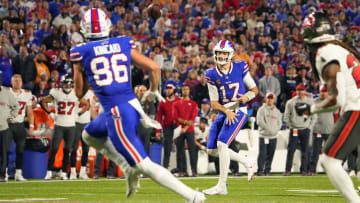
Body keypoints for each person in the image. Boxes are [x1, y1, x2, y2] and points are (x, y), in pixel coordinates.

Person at [71, 8, 205, 202]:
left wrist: (79, 68)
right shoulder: (122, 42)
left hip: (117, 113)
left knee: (144, 165)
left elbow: (78, 92)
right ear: (107, 25)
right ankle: (127, 167)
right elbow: (154, 67)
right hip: (131, 107)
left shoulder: (81, 51)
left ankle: (192, 196)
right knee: (89, 134)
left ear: (84, 29)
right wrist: (153, 90)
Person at [296, 11, 360, 202]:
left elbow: (336, 99)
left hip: (356, 106)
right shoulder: (341, 49)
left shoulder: (326, 52)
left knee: (329, 160)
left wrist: (311, 109)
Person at [203, 39, 258, 195]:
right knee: (212, 150)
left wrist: (246, 97)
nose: (220, 56)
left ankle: (222, 186)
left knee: (222, 145)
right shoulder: (211, 73)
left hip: (239, 110)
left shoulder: (240, 67)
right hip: (224, 111)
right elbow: (214, 103)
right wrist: (226, 111)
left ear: (230, 54)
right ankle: (247, 161)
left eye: (224, 53)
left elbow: (254, 89)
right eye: (218, 53)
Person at [41, 75, 89, 180]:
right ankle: (49, 172)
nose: (67, 85)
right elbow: (43, 101)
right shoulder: (56, 92)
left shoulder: (76, 94)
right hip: (59, 125)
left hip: (71, 125)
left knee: (67, 150)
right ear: (62, 84)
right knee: (54, 149)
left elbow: (87, 104)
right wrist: (51, 113)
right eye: (65, 83)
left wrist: (78, 114)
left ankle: (63, 172)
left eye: (69, 83)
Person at [283, 84, 316, 176]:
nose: (300, 92)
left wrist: (309, 127)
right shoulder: (290, 102)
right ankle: (287, 170)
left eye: (302, 90)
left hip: (305, 129)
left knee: (305, 151)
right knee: (291, 150)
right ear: (296, 91)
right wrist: (291, 126)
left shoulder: (310, 102)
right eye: (298, 90)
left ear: (305, 91)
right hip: (294, 129)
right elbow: (286, 116)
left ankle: (304, 170)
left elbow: (314, 116)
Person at [7, 74, 34, 181]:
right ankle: (3, 173)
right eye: (15, 80)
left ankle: (18, 173)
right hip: (7, 125)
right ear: (11, 82)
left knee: (20, 150)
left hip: (20, 124)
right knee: (5, 150)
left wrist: (31, 125)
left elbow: (30, 111)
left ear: (22, 82)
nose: (18, 82)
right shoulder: (6, 92)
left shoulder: (27, 94)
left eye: (19, 81)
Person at [69, 89, 97, 180]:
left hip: (86, 123)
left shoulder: (90, 94)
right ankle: (72, 172)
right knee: (74, 148)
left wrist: (96, 123)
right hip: (76, 122)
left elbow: (92, 108)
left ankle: (82, 172)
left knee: (86, 149)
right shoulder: (74, 92)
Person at [173, 84, 198, 177]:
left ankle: (194, 171)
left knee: (192, 150)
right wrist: (185, 123)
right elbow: (175, 117)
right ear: (181, 91)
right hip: (180, 130)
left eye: (187, 89)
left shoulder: (194, 104)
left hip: (189, 130)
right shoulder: (176, 103)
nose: (185, 91)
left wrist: (185, 128)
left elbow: (193, 118)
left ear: (189, 91)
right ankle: (181, 170)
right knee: (180, 150)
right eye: (183, 89)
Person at [308, 86, 334, 176]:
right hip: (318, 130)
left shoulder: (332, 102)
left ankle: (331, 170)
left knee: (330, 153)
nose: (323, 93)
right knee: (315, 152)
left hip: (329, 130)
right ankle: (312, 170)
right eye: (322, 91)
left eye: (325, 91)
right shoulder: (315, 102)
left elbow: (335, 112)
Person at [256, 92, 282, 176]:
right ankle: (260, 170)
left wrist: (275, 131)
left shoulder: (277, 111)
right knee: (262, 154)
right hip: (264, 136)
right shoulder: (261, 110)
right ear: (265, 99)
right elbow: (259, 122)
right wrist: (270, 130)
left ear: (274, 100)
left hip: (273, 136)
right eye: (268, 98)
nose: (269, 100)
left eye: (271, 98)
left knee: (270, 154)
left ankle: (267, 170)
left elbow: (279, 123)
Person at [155, 83, 180, 169]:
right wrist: (158, 131)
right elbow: (159, 117)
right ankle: (165, 167)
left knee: (180, 147)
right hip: (167, 126)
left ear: (174, 90)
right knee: (167, 148)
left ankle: (180, 168)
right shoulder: (163, 102)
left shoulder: (178, 100)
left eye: (170, 88)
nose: (168, 90)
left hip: (177, 126)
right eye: (167, 88)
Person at [0, 73, 19, 182]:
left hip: (3, 128)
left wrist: (11, 118)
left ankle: (2, 175)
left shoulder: (6, 93)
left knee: (3, 152)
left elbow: (16, 106)